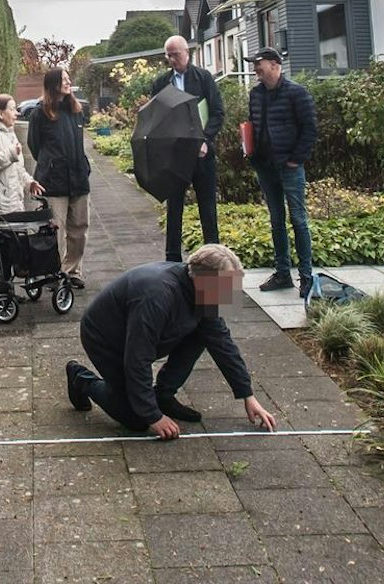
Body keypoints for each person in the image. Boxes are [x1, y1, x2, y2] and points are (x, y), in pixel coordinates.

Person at [63, 245, 278, 439]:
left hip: (143, 333)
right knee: (135, 419)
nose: (227, 294)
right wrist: (152, 416)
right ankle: (81, 378)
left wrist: (247, 394)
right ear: (202, 280)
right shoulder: (157, 296)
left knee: (204, 331)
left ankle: (163, 395)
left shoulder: (203, 292)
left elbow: (222, 342)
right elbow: (138, 358)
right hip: (105, 338)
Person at [244, 46, 320, 299]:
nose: (255, 69)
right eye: (254, 65)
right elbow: (253, 125)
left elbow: (310, 129)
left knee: (298, 220)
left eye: (259, 64)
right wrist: (250, 149)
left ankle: (307, 278)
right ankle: (283, 274)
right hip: (265, 167)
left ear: (275, 65)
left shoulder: (297, 93)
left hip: (289, 168)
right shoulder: (255, 94)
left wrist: (295, 161)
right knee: (276, 221)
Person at [145, 35, 224, 262]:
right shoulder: (161, 83)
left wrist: (205, 140)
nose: (171, 59)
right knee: (174, 209)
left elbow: (218, 113)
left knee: (208, 208)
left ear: (186, 53)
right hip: (175, 157)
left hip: (202, 154)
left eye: (175, 54)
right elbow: (155, 119)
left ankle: (214, 258)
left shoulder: (204, 78)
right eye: (168, 55)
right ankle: (172, 260)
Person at [25, 67, 90, 286]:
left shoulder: (76, 110)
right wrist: (49, 164)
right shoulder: (40, 114)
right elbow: (34, 146)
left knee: (79, 228)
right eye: (64, 79)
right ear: (53, 84)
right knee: (55, 229)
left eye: (68, 78)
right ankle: (54, 272)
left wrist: (83, 165)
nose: (68, 82)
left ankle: (73, 272)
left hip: (79, 179)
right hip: (54, 182)